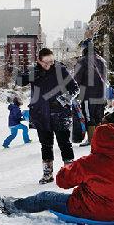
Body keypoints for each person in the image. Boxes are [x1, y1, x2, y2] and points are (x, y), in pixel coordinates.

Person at [0, 123, 114, 221]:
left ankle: (11, 206)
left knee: (45, 197)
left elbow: (62, 182)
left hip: (91, 211)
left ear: (96, 141)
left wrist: (69, 167)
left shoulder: (89, 162)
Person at [17, 48, 79, 184]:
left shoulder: (60, 70)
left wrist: (63, 100)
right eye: (46, 62)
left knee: (65, 144)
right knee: (46, 145)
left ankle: (69, 174)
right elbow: (19, 81)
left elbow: (75, 88)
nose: (49, 64)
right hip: (41, 115)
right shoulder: (34, 72)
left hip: (60, 114)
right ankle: (47, 174)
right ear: (39, 60)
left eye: (51, 61)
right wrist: (30, 72)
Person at [74, 39, 108, 147]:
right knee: (99, 116)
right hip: (101, 94)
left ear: (84, 48)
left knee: (89, 117)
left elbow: (77, 79)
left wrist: (74, 91)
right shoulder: (102, 60)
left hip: (88, 94)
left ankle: (92, 140)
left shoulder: (82, 61)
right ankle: (100, 139)